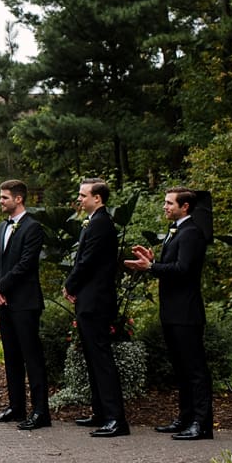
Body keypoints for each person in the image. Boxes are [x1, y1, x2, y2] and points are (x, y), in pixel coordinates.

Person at [125, 187, 213, 440]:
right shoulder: (176, 230)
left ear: (185, 207)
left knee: (194, 370)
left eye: (169, 203)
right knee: (181, 368)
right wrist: (153, 261)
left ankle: (201, 424)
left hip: (186, 312)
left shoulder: (191, 232)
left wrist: (151, 267)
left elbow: (183, 269)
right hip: (172, 311)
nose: (165, 207)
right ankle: (185, 417)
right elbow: (172, 265)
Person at [62, 178, 129, 437]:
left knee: (101, 359)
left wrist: (70, 285)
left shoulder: (101, 224)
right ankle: (100, 412)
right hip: (89, 299)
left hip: (96, 300)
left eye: (83, 195)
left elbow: (87, 261)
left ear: (97, 198)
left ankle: (116, 419)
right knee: (92, 358)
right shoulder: (94, 221)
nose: (79, 199)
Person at [0, 179, 50, 430]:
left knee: (32, 357)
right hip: (4, 302)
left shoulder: (33, 228)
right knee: (11, 356)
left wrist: (1, 286)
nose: (0, 201)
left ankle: (41, 412)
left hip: (25, 302)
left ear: (18, 199)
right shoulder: (3, 227)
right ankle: (16, 407)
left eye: (4, 197)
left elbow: (26, 265)